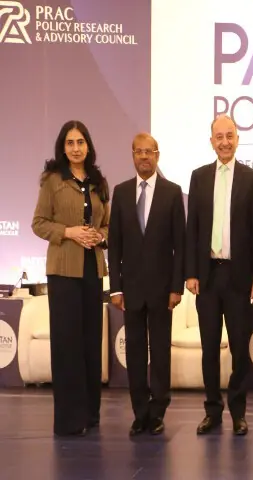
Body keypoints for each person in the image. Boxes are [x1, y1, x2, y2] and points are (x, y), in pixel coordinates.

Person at [186, 114, 253, 436]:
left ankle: (238, 412)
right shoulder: (199, 177)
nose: (224, 141)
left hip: (238, 278)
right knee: (208, 349)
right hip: (207, 276)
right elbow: (192, 229)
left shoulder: (251, 178)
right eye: (218, 136)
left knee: (238, 349)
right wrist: (190, 272)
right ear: (211, 141)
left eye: (229, 135)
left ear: (237, 137)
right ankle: (212, 410)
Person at [32, 120, 109, 436]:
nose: (75, 148)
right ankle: (69, 419)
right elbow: (39, 223)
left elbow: (108, 226)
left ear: (88, 146)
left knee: (91, 342)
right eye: (70, 143)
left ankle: (90, 413)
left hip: (92, 270)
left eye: (80, 142)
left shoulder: (98, 181)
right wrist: (69, 232)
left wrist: (99, 237)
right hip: (63, 272)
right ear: (62, 148)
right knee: (67, 344)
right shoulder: (52, 180)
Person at [108, 133, 186, 436]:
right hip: (131, 291)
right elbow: (114, 246)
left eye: (149, 152)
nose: (144, 157)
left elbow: (180, 244)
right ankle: (139, 412)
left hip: (162, 290)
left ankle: (158, 411)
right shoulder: (121, 192)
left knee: (160, 353)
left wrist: (176, 287)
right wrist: (115, 287)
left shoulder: (171, 192)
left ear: (157, 155)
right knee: (136, 352)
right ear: (132, 155)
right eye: (139, 152)